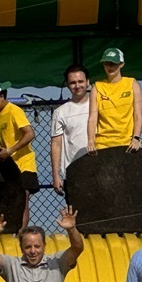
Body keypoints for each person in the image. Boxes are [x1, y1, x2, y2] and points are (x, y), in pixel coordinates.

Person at [0, 80, 38, 228]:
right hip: (9, 166)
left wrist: (10, 150)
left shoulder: (14, 110)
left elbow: (30, 133)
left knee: (22, 200)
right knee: (9, 201)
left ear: (1, 96)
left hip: (23, 163)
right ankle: (9, 232)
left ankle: (21, 233)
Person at [87, 47, 142, 154]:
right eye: (107, 63)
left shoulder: (132, 84)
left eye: (113, 63)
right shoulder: (97, 87)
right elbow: (93, 117)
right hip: (102, 144)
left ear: (121, 64)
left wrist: (136, 138)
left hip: (126, 144)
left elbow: (138, 115)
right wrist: (90, 141)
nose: (110, 67)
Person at [51, 64, 91, 197]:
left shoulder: (99, 106)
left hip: (98, 168)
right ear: (68, 85)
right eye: (73, 83)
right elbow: (56, 144)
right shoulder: (60, 112)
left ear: (88, 82)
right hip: (73, 172)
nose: (77, 86)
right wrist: (56, 175)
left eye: (80, 81)